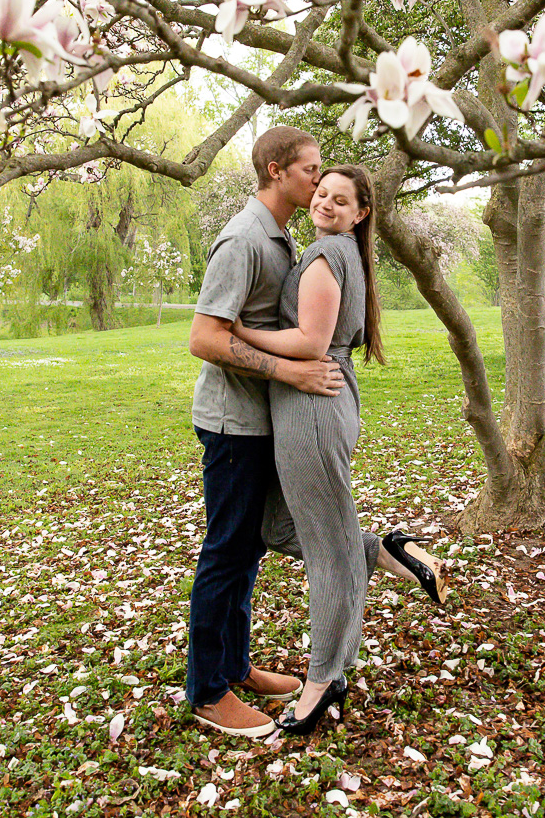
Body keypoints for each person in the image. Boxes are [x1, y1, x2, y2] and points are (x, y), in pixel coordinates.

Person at [233, 165, 448, 735]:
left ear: (361, 213)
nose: (326, 202)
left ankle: (324, 681)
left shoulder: (328, 254)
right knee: (274, 528)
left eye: (341, 199)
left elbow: (310, 342)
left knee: (328, 554)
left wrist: (237, 334)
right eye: (322, 193)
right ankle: (387, 551)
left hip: (312, 410)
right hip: (311, 403)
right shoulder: (337, 250)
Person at [185, 127, 346, 739]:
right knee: (227, 552)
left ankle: (234, 666)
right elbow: (203, 336)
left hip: (261, 421)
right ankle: (207, 691)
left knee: (247, 549)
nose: (318, 179)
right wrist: (290, 372)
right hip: (233, 425)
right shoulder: (244, 241)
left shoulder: (280, 238)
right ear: (276, 170)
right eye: (310, 169)